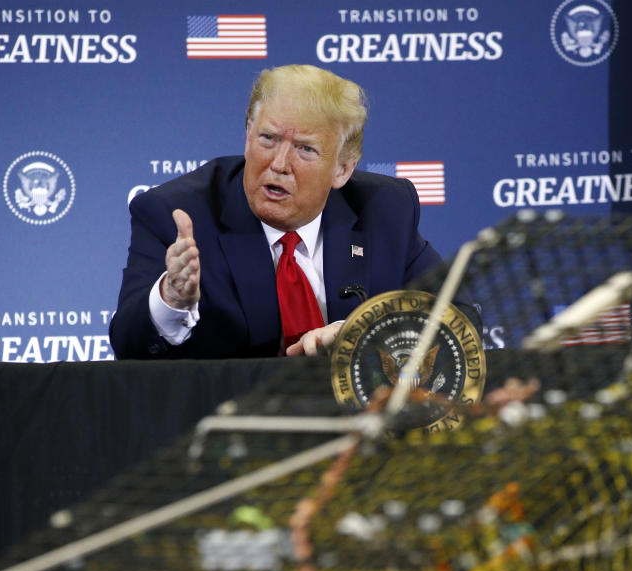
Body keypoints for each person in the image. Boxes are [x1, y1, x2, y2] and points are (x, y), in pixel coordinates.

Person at [109, 65, 443, 359]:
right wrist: (170, 300)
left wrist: (368, 333)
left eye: (305, 149)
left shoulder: (385, 209)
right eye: (268, 138)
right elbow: (129, 343)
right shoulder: (177, 213)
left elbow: (457, 316)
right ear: (247, 137)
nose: (279, 164)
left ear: (342, 169)